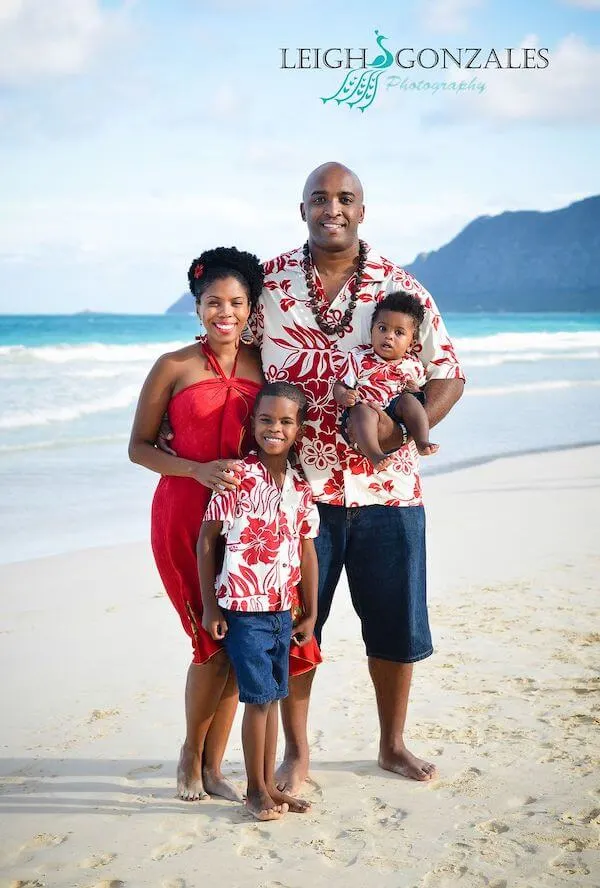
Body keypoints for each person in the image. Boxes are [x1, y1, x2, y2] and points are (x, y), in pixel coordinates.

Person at [253, 162, 465, 792]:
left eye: (345, 199)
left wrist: (401, 432)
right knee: (296, 624)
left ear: (363, 211)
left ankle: (392, 745)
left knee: (396, 622)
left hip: (390, 491)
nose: (332, 209)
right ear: (302, 209)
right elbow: (234, 359)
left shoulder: (402, 287)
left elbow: (449, 371)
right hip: (299, 493)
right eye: (320, 199)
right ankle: (297, 752)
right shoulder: (269, 283)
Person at [128, 247, 319, 802]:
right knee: (206, 641)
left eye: (237, 302)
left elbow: (287, 423)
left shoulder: (266, 365)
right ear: (197, 306)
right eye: (214, 302)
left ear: (252, 306)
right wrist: (196, 468)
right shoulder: (173, 365)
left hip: (247, 527)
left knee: (239, 649)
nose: (225, 313)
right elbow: (139, 448)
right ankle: (191, 752)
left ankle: (215, 768)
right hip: (185, 516)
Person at [198, 382, 319, 820]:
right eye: (266, 419)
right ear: (252, 424)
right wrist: (211, 606)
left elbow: (307, 549)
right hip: (244, 610)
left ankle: (270, 786)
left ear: (299, 429)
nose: (275, 428)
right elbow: (207, 539)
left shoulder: (301, 488)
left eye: (286, 421)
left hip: (282, 611)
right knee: (258, 700)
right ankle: (254, 791)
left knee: (275, 695)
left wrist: (311, 610)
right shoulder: (237, 476)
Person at [333, 290, 439, 468]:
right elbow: (340, 385)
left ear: (411, 343)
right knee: (361, 412)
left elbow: (421, 395)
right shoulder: (359, 357)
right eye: (382, 328)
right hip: (364, 411)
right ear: (372, 331)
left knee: (408, 401)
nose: (389, 336)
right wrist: (343, 396)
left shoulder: (412, 364)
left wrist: (415, 391)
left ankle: (422, 441)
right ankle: (375, 455)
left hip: (396, 413)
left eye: (399, 333)